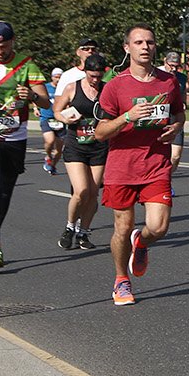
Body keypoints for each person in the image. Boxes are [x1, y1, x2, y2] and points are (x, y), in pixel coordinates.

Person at [95, 25, 183, 306]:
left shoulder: (168, 82)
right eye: (138, 42)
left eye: (149, 42)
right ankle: (121, 280)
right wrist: (127, 117)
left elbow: (179, 112)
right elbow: (100, 132)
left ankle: (142, 242)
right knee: (122, 227)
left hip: (156, 164)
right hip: (122, 167)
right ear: (127, 48)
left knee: (158, 227)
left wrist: (176, 127)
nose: (145, 47)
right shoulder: (115, 86)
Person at [0, 20, 51, 269]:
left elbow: (45, 102)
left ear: (12, 42)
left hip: (13, 135)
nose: (0, 49)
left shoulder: (25, 64)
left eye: (3, 44)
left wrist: (30, 95)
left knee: (4, 192)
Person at [54, 53, 109, 252]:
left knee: (93, 193)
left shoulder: (107, 89)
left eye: (98, 76)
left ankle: (84, 232)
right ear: (85, 71)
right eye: (91, 76)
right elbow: (56, 110)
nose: (95, 80)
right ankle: (70, 226)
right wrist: (65, 118)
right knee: (81, 191)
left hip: (99, 147)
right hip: (76, 145)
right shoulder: (73, 87)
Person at [49, 38, 99, 174]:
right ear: (78, 52)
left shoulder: (103, 73)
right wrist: (67, 116)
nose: (90, 51)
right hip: (76, 132)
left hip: (99, 136)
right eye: (86, 48)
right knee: (80, 186)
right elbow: (57, 107)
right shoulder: (68, 76)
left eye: (93, 49)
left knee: (94, 187)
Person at [159, 51, 189, 168]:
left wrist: (184, 103)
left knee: (175, 156)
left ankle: (167, 180)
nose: (173, 69)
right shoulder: (156, 75)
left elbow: (183, 93)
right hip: (160, 117)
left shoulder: (182, 78)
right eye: (170, 65)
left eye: (176, 66)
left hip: (176, 117)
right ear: (164, 62)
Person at [39, 68, 62, 175]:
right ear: (52, 77)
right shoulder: (46, 87)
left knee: (59, 150)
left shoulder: (64, 89)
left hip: (60, 120)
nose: (58, 79)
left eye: (60, 77)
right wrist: (35, 108)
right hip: (46, 118)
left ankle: (52, 165)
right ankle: (48, 156)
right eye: (56, 77)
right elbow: (36, 98)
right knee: (50, 140)